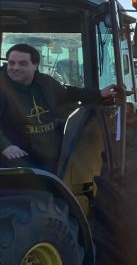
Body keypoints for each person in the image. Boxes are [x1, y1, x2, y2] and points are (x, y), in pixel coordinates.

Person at [1, 43, 117, 172]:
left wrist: (99, 94)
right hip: (16, 160)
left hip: (48, 156)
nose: (15, 68)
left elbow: (69, 93)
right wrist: (6, 147)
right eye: (11, 63)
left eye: (22, 63)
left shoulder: (46, 83)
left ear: (35, 65)